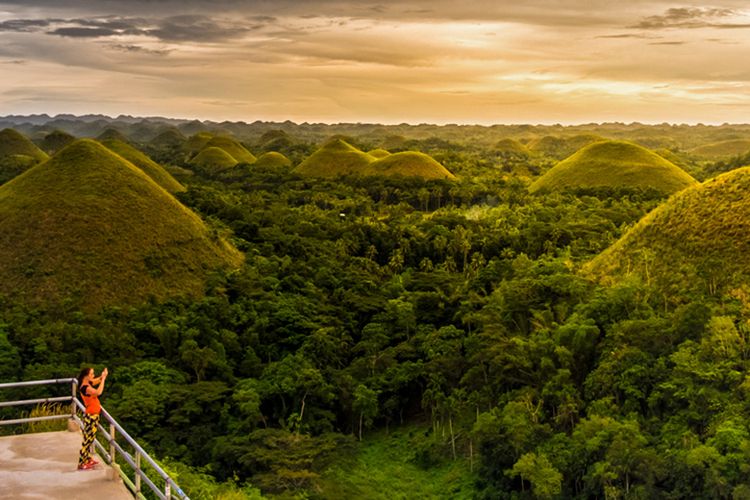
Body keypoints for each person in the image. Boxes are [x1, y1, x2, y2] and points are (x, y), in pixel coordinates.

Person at [76, 366, 108, 470]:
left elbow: (96, 381)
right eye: (92, 374)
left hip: (92, 414)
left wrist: (102, 376)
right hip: (91, 415)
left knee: (90, 438)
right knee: (88, 440)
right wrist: (103, 379)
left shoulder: (86, 383)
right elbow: (98, 392)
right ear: (86, 376)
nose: (93, 375)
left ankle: (87, 459)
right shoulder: (85, 388)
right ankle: (81, 463)